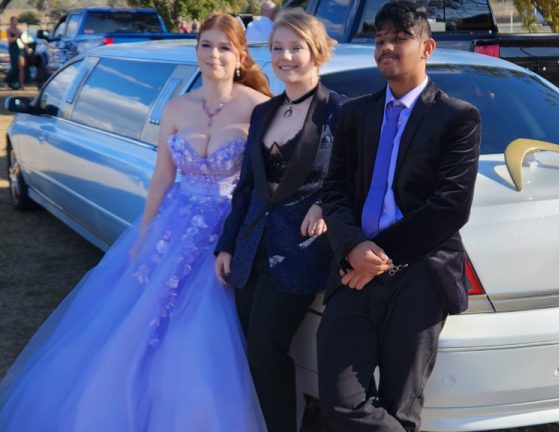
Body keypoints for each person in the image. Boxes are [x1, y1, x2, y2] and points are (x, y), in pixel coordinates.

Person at [0, 14, 271, 431]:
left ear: (239, 56)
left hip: (224, 229)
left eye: (223, 47)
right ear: (195, 50)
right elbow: (163, 175)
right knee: (141, 318)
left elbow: (264, 182)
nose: (213, 55)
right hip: (175, 224)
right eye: (205, 45)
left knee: (200, 328)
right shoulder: (178, 106)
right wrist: (146, 231)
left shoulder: (257, 108)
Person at [316, 1, 481, 430]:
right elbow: (333, 191)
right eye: (379, 39)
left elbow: (450, 207)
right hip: (352, 272)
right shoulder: (354, 113)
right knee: (339, 398)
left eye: (399, 39)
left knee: (401, 405)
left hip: (420, 274)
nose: (386, 47)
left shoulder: (456, 118)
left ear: (427, 48)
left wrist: (375, 257)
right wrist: (353, 247)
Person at [213, 9, 343, 432]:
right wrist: (227, 244)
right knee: (253, 346)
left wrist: (326, 204)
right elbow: (247, 188)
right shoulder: (262, 113)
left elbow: (357, 179)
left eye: (295, 48)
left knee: (266, 348)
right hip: (252, 248)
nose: (285, 57)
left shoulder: (342, 113)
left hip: (301, 254)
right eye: (277, 49)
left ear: (317, 51)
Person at [4, 16, 26, 90]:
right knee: (14, 67)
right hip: (12, 48)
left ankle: (20, 84)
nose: (16, 22)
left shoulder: (18, 30)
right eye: (14, 21)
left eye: (17, 21)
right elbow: (10, 40)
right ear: (11, 22)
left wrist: (27, 48)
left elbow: (22, 40)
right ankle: (6, 82)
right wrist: (17, 35)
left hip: (17, 48)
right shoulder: (8, 30)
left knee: (20, 67)